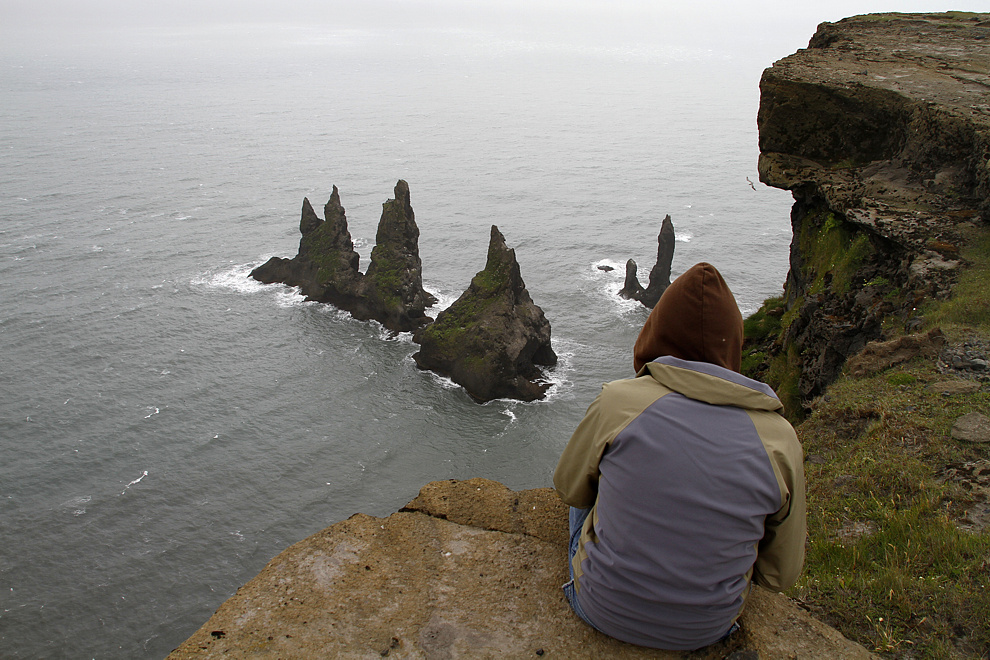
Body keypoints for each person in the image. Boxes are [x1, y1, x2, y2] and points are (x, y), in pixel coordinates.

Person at [553, 262, 806, 651]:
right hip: (707, 629)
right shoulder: (779, 439)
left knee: (597, 473)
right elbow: (779, 575)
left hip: (599, 608)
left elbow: (569, 489)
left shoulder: (618, 402)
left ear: (656, 331)